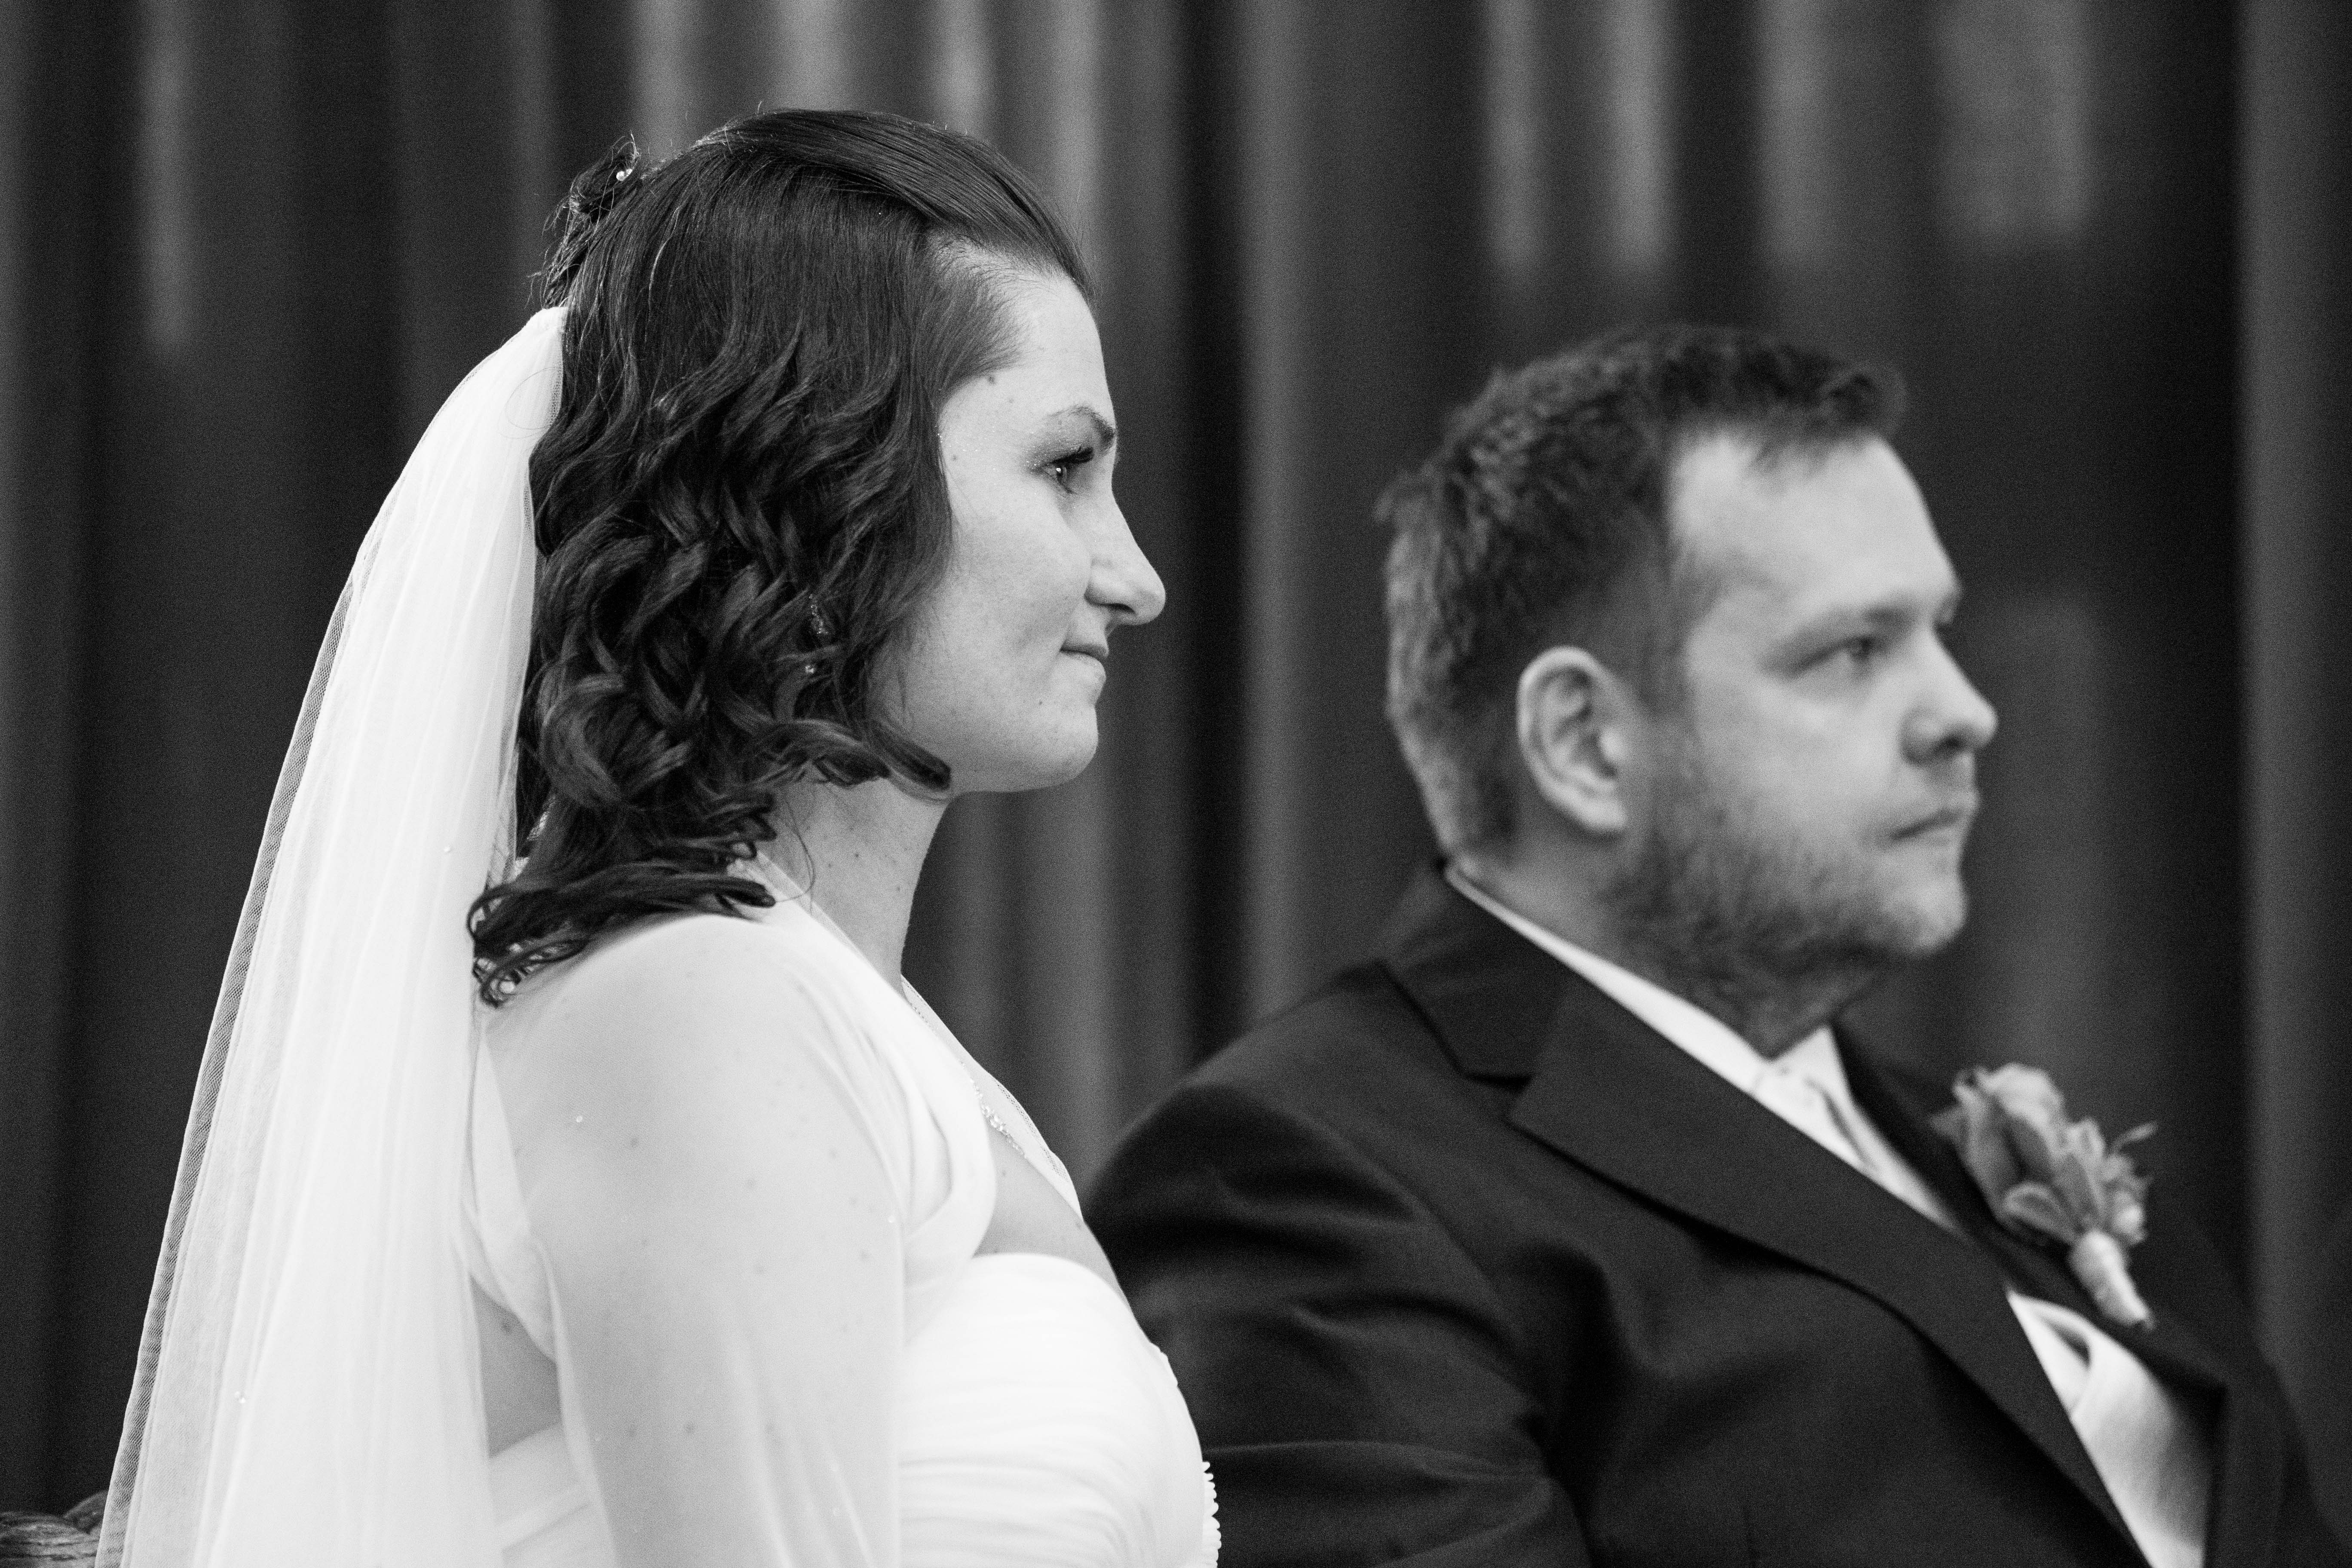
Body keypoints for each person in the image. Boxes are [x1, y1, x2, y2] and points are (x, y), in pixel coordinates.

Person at [97, 110, 1216, 1568]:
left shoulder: (826, 1004)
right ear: (827, 478)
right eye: (1064, 469)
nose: (1136, 578)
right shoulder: (699, 1009)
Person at [1088, 326, 2348, 1568]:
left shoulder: (1946, 1140)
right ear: (1584, 744)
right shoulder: (1307, 1177)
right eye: (1853, 652)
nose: (1965, 713)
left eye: (1943, 631)